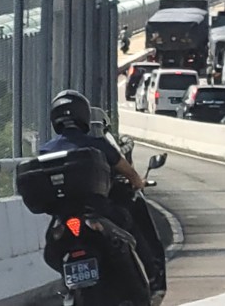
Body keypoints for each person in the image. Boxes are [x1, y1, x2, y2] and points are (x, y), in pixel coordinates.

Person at [39, 90, 165, 297]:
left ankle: (69, 287)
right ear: (83, 115)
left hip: (63, 218)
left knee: (52, 248)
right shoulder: (96, 144)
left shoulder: (46, 151)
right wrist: (137, 183)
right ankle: (152, 277)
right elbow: (128, 172)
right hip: (99, 211)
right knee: (134, 227)